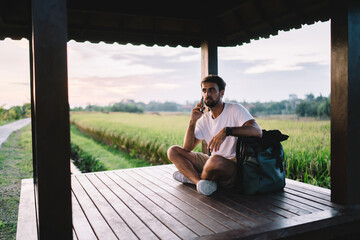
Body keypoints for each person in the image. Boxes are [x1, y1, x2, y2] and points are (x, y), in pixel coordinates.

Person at [167, 75, 262, 195]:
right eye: (204, 90)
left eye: (211, 90)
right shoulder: (204, 119)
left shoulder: (235, 109)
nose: (207, 94)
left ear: (221, 93)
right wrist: (192, 121)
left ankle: (191, 178)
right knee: (173, 151)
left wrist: (226, 131)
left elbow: (257, 131)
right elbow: (187, 148)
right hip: (211, 162)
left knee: (215, 160)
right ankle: (199, 182)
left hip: (232, 165)